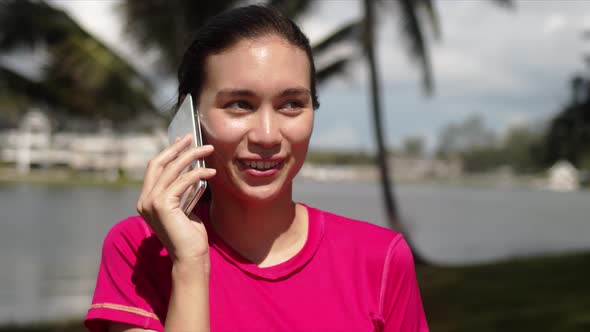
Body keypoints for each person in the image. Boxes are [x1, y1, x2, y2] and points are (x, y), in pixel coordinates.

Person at [84, 5, 428, 332]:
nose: (267, 135)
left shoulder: (381, 259)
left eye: (292, 104)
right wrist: (189, 264)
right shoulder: (142, 248)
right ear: (189, 118)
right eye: (239, 105)